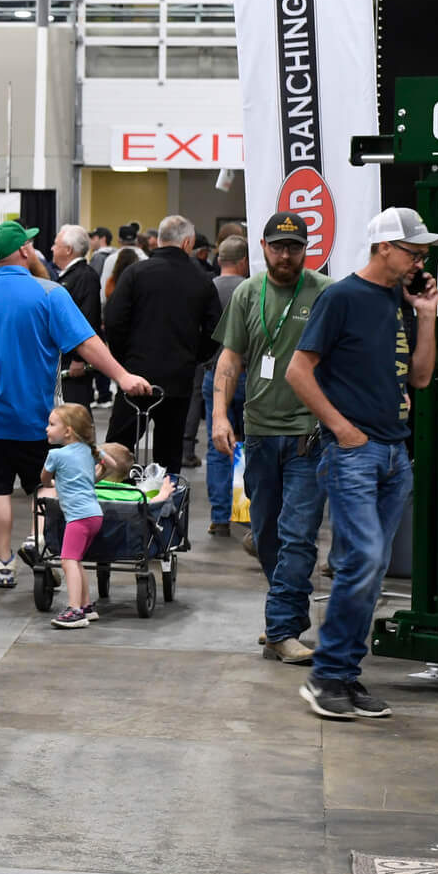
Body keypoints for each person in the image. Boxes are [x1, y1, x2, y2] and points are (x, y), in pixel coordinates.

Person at [287, 207, 438, 721]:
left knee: (367, 572)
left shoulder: (396, 302)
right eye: (412, 252)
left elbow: (419, 378)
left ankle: (344, 676)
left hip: (394, 452)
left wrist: (425, 314)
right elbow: (297, 370)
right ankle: (328, 676)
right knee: (366, 562)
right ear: (383, 248)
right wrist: (342, 428)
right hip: (356, 453)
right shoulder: (343, 297)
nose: (418, 262)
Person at [0, 219, 151, 588]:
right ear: (24, 251)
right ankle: (37, 541)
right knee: (48, 486)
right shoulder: (50, 293)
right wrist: (122, 377)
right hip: (39, 417)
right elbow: (87, 343)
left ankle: (2, 563)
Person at [211, 215, 332, 664]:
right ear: (262, 247)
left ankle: (282, 629)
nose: (286, 256)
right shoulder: (247, 292)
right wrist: (220, 414)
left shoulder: (324, 292)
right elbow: (231, 356)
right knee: (265, 536)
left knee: (298, 535)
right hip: (260, 433)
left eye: (294, 248)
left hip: (309, 435)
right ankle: (288, 613)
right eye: (278, 247)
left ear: (306, 248)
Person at [102, 215, 222, 500]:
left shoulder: (136, 273)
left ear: (158, 240)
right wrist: (195, 356)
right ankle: (164, 516)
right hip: (178, 380)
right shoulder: (202, 280)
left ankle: (109, 507)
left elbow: (114, 320)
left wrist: (123, 363)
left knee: (117, 449)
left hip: (135, 377)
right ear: (188, 242)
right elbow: (216, 328)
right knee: (169, 453)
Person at [195, 235, 253, 534]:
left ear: (220, 260)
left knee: (218, 443)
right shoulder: (254, 289)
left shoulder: (207, 288)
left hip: (213, 375)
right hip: (250, 375)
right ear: (245, 260)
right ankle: (247, 511)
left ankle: (219, 517)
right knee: (253, 442)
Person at [44, 402, 105, 631]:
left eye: (51, 424)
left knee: (68, 561)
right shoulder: (90, 451)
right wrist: (96, 477)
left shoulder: (56, 454)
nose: (47, 429)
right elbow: (113, 463)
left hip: (78, 518)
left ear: (67, 431)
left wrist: (49, 483)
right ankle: (87, 605)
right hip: (94, 516)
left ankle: (74, 610)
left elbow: (43, 479)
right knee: (76, 560)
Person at [49, 225, 102, 406]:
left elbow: (88, 318)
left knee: (75, 415)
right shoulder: (68, 276)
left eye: (56, 245)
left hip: (74, 363)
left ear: (68, 250)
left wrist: (80, 359)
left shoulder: (85, 277)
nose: (52, 249)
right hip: (62, 359)